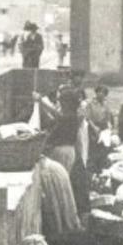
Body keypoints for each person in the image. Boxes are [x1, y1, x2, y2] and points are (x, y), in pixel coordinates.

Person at [34, 84, 88, 220]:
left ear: (67, 103)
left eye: (62, 101)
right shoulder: (72, 116)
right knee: (61, 183)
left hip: (63, 153)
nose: (60, 103)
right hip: (67, 152)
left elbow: (56, 116)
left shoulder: (70, 117)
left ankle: (63, 216)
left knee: (59, 186)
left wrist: (41, 101)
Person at [84, 84, 116, 171]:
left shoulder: (106, 104)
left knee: (104, 147)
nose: (101, 94)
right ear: (96, 92)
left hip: (103, 126)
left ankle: (101, 167)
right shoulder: (90, 103)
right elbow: (87, 117)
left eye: (103, 93)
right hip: (93, 126)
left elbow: (108, 117)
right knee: (93, 148)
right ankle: (92, 167)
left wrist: (109, 127)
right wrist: (94, 127)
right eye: (99, 92)